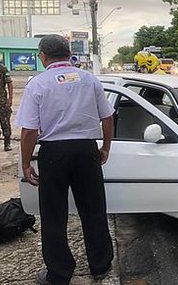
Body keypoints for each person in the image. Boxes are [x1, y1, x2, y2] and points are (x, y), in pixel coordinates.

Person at [16, 35, 114, 285]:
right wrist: (105, 148)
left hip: (53, 155)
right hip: (86, 151)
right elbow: (107, 117)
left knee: (53, 215)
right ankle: (100, 265)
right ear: (69, 54)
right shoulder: (90, 79)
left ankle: (59, 273)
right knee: (93, 210)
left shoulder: (38, 84)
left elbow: (29, 131)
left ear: (43, 55)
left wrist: (26, 164)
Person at [0, 61, 13, 151]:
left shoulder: (2, 68)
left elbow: (10, 83)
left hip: (2, 102)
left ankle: (7, 143)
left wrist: (10, 99)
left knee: (5, 123)